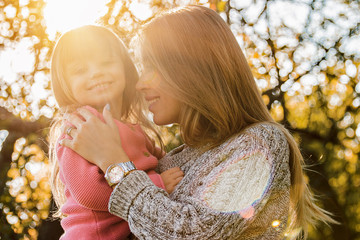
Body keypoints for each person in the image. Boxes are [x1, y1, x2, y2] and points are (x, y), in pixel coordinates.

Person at [60, 6, 336, 239]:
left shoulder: (259, 143)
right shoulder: (174, 160)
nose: (141, 83)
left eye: (151, 68)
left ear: (189, 69)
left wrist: (115, 165)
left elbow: (191, 232)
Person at [48, 25, 184, 240]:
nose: (96, 72)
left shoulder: (135, 128)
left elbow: (162, 162)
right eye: (80, 70)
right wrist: (156, 185)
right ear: (66, 85)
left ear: (124, 68)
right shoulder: (78, 128)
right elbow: (89, 193)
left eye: (106, 62)